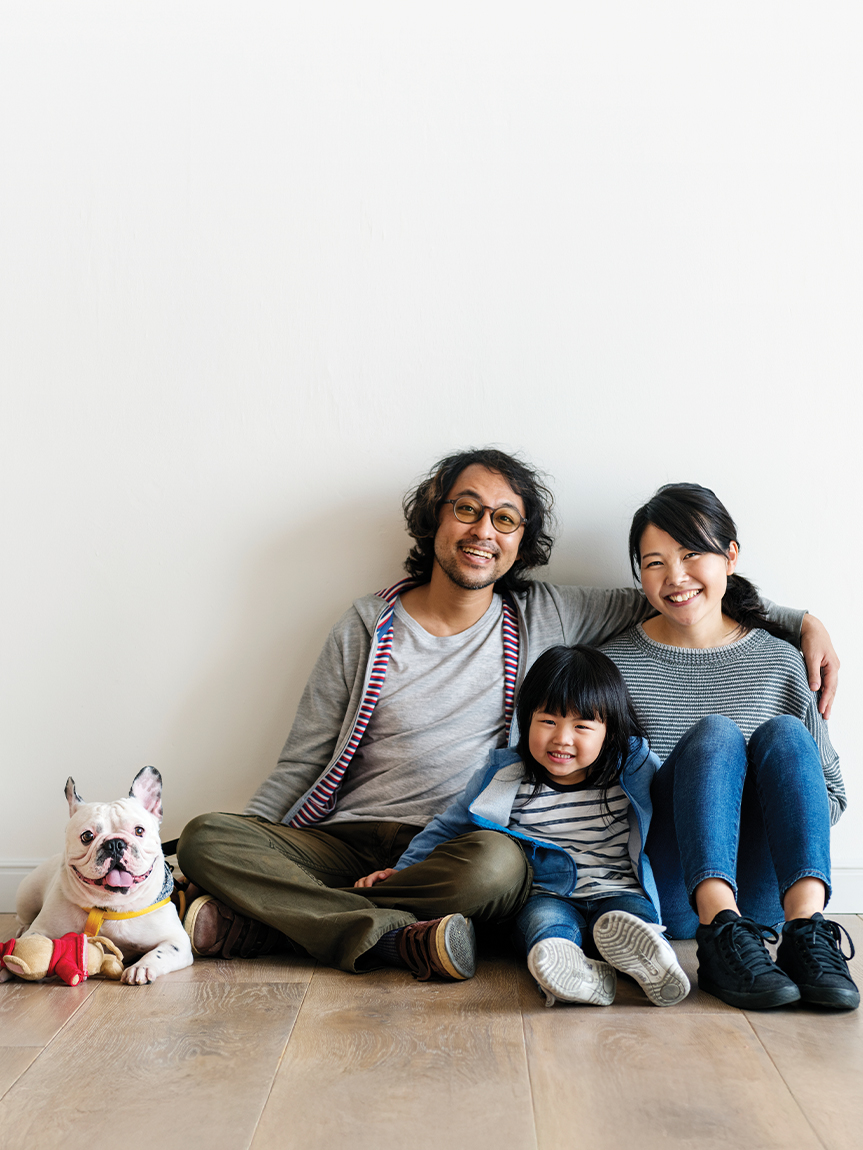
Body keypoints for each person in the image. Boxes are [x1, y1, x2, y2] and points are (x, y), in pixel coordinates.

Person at [176, 449, 838, 980]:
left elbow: (688, 596)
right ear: (435, 519)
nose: (480, 531)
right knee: (207, 836)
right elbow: (302, 761)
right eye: (466, 510)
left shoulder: (548, 615)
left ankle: (281, 925)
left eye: (503, 520)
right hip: (348, 840)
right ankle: (383, 937)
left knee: (495, 868)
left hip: (471, 848)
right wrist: (242, 850)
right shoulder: (364, 624)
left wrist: (797, 621)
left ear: (521, 543)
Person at [601, 482, 858, 1011]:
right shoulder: (614, 668)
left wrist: (751, 809)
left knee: (785, 734)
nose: (675, 577)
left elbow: (830, 793)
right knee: (716, 735)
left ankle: (809, 933)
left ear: (730, 558)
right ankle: (718, 932)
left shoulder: (783, 661)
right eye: (654, 563)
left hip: (768, 897)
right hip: (670, 889)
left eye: (692, 554)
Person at [356, 644, 690, 1008]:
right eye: (548, 721)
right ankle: (567, 968)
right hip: (544, 894)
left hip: (617, 890)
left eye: (581, 726)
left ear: (610, 731)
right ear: (525, 719)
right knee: (544, 924)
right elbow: (448, 827)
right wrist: (403, 872)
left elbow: (677, 814)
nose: (562, 738)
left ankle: (652, 959)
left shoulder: (632, 769)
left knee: (629, 919)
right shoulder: (505, 775)